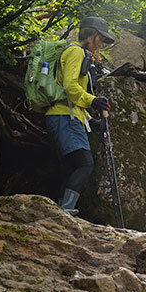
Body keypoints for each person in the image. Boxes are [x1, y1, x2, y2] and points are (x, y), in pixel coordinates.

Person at [45, 16, 114, 215]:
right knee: (85, 164)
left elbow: (73, 100)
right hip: (64, 118)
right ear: (90, 34)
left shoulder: (79, 53)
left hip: (65, 116)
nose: (101, 43)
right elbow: (70, 87)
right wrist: (93, 100)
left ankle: (60, 211)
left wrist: (92, 121)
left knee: (73, 167)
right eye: (100, 38)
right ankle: (65, 211)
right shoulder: (75, 51)